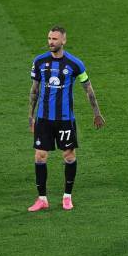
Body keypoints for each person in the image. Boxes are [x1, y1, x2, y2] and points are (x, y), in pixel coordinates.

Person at [28, 26, 105, 211]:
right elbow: (34, 90)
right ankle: (42, 199)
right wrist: (30, 116)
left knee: (69, 155)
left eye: (54, 39)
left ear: (63, 41)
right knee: (40, 155)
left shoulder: (75, 63)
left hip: (65, 119)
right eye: (49, 38)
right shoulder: (39, 62)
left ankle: (67, 197)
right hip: (44, 118)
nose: (50, 42)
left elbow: (88, 90)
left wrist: (97, 113)